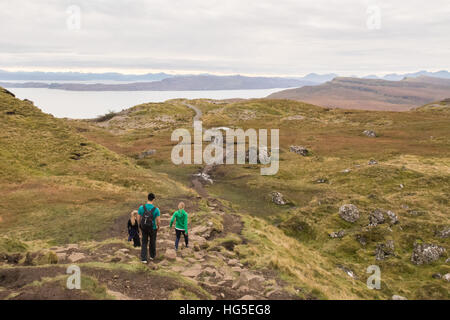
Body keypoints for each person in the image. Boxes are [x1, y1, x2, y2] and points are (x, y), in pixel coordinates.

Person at [137, 193, 161, 263]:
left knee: (144, 242)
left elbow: (138, 218)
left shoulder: (141, 207)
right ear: (153, 199)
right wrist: (158, 227)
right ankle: (152, 256)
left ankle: (144, 258)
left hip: (144, 227)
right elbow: (159, 221)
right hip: (152, 228)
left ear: (147, 198)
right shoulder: (156, 209)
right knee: (152, 241)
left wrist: (140, 225)